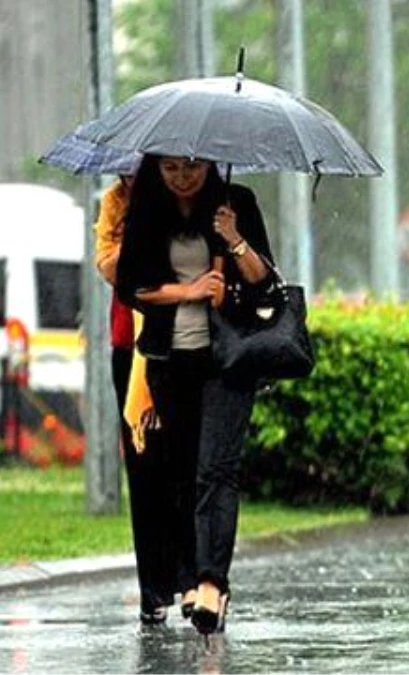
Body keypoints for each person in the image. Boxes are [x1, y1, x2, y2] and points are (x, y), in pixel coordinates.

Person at [116, 155, 274, 634]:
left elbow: (264, 280)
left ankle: (212, 585)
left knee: (217, 470)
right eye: (170, 169)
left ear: (209, 164)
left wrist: (233, 239)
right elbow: (131, 287)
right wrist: (186, 292)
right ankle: (186, 578)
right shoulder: (147, 211)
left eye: (191, 167)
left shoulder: (236, 202)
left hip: (227, 360)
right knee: (181, 470)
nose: (182, 177)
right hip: (170, 361)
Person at [95, 174, 199, 625]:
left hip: (187, 340)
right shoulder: (116, 203)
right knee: (142, 465)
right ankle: (153, 588)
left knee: (186, 464)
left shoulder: (189, 200)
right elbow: (110, 267)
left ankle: (195, 580)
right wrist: (140, 240)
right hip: (132, 345)